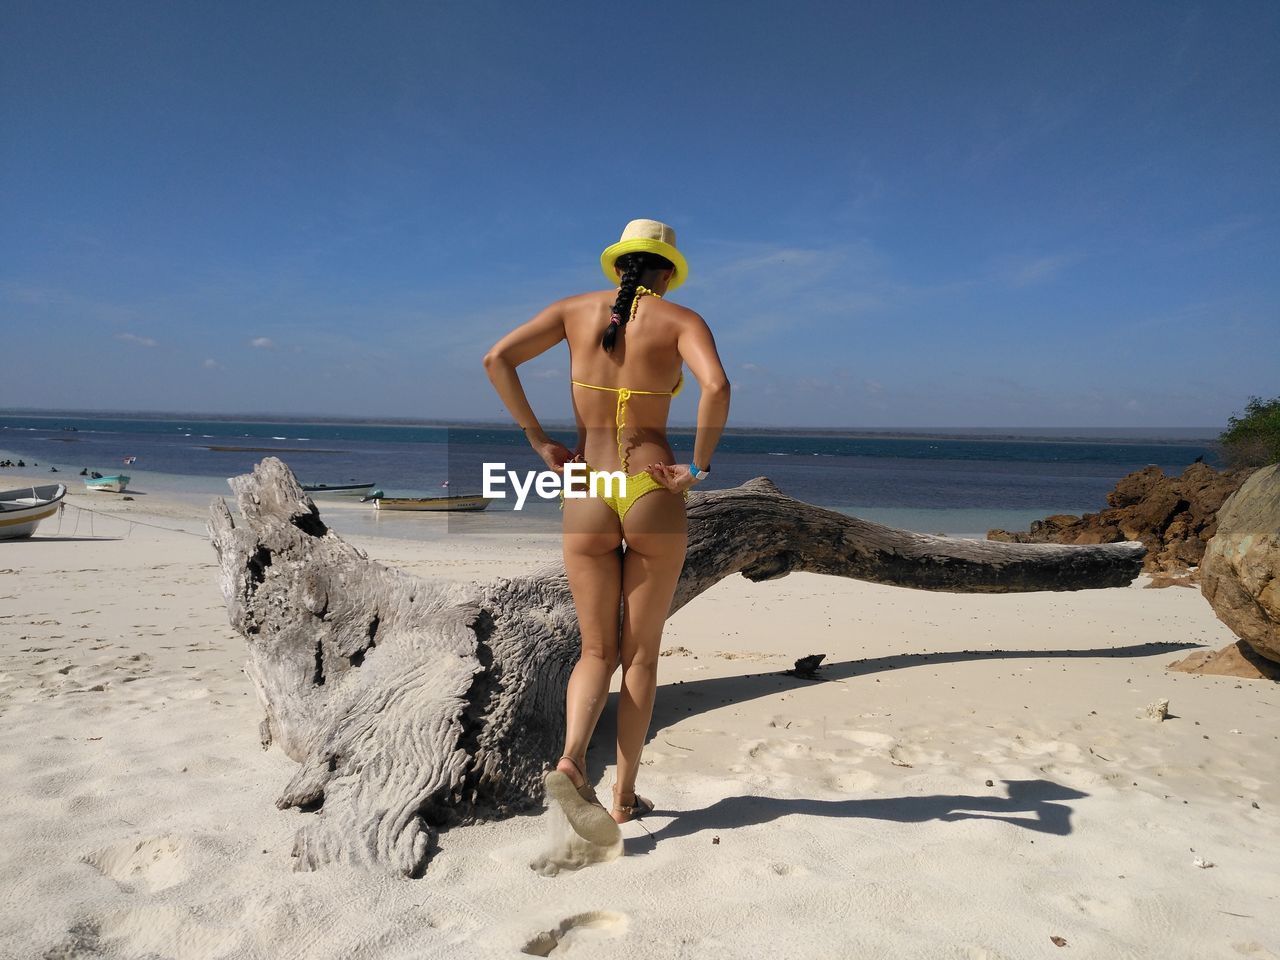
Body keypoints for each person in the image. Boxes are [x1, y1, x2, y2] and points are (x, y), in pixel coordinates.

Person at [483, 219, 731, 843]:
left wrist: (539, 440)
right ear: (666, 270)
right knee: (640, 656)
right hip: (651, 487)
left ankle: (571, 758)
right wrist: (697, 466)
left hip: (588, 487)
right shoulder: (682, 320)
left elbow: (497, 359)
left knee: (595, 650)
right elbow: (718, 387)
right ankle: (622, 797)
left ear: (621, 266)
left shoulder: (573, 310)